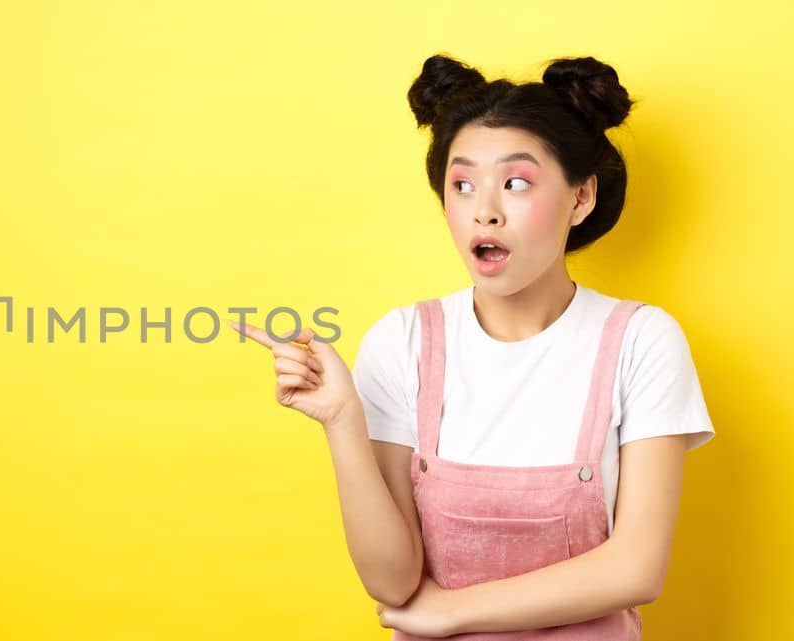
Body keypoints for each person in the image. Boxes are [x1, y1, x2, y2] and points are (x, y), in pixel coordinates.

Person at [226, 53, 715, 638]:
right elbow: (393, 582)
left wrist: (453, 611)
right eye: (461, 185)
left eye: (515, 183)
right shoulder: (404, 339)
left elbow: (635, 570)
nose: (484, 211)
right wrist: (341, 420)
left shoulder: (640, 340)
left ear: (581, 197)